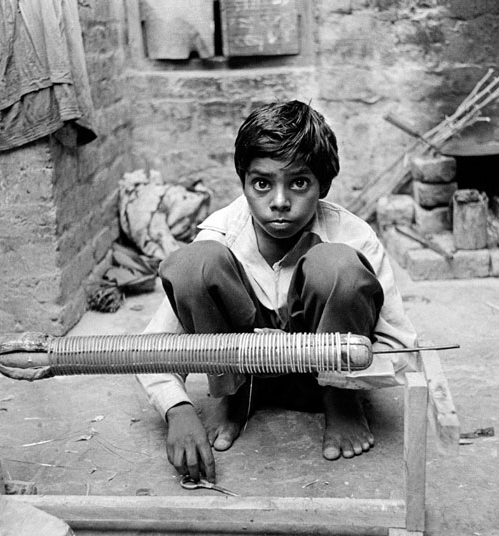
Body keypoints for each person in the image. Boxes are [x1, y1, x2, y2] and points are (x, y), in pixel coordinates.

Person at [136, 100, 416, 483]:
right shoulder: (222, 234)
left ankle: (341, 402)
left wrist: (311, 356)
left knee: (337, 267)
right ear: (244, 182)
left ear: (323, 185)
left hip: (327, 375)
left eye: (299, 183)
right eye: (262, 184)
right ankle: (231, 396)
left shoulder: (353, 236)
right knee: (193, 263)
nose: (280, 201)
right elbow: (154, 347)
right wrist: (178, 410)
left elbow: (400, 347)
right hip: (245, 375)